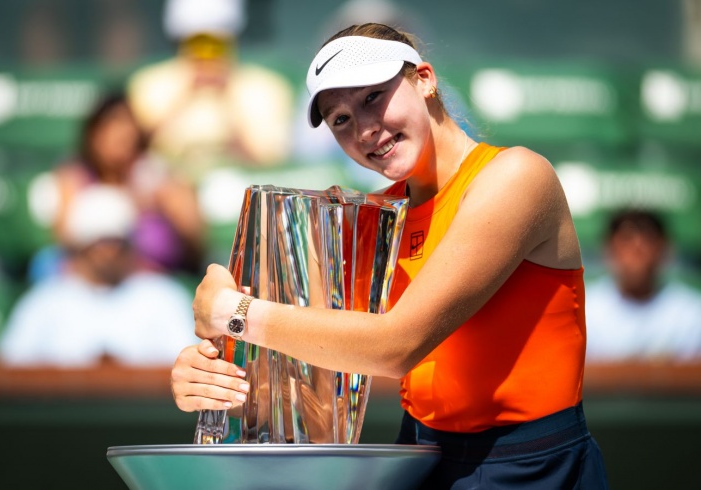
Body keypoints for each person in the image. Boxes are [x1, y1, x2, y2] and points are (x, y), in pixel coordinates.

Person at [170, 23, 608, 489]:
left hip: (534, 468)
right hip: (420, 456)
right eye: (341, 119)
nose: (364, 129)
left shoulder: (516, 176)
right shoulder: (376, 218)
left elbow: (397, 346)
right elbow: (311, 386)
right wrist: (214, 382)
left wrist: (233, 312)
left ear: (425, 80)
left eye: (373, 97)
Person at [0, 185, 198, 367]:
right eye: (99, 244)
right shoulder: (44, 302)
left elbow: (189, 366)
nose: (108, 253)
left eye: (115, 243)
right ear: (79, 247)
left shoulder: (163, 297)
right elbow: (9, 369)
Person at [37, 91, 204, 278]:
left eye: (126, 133)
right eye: (110, 130)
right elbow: (64, 240)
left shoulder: (157, 177)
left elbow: (195, 242)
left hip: (150, 282)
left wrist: (167, 202)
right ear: (93, 135)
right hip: (87, 280)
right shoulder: (74, 177)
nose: (119, 139)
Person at [126, 0, 295, 183]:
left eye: (216, 43)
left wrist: (227, 98)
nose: (206, 52)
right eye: (196, 42)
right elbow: (131, 154)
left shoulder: (267, 87)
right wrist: (184, 93)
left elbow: (271, 165)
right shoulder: (148, 84)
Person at [585, 209, 701, 363]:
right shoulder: (585, 311)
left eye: (648, 240)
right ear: (608, 250)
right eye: (626, 240)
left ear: (664, 249)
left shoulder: (692, 313)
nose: (636, 250)